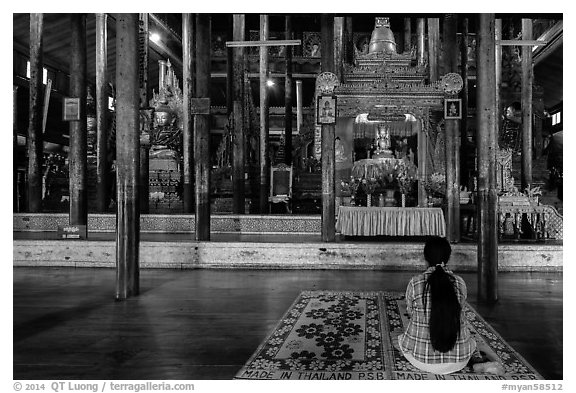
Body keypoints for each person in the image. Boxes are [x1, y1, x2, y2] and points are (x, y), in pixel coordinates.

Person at [398, 236, 503, 375]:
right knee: (471, 338)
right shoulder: (459, 282)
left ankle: (475, 360)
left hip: (421, 359)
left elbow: (411, 312)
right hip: (459, 361)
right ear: (448, 258)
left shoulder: (415, 282)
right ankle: (477, 360)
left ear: (425, 258)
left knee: (398, 338)